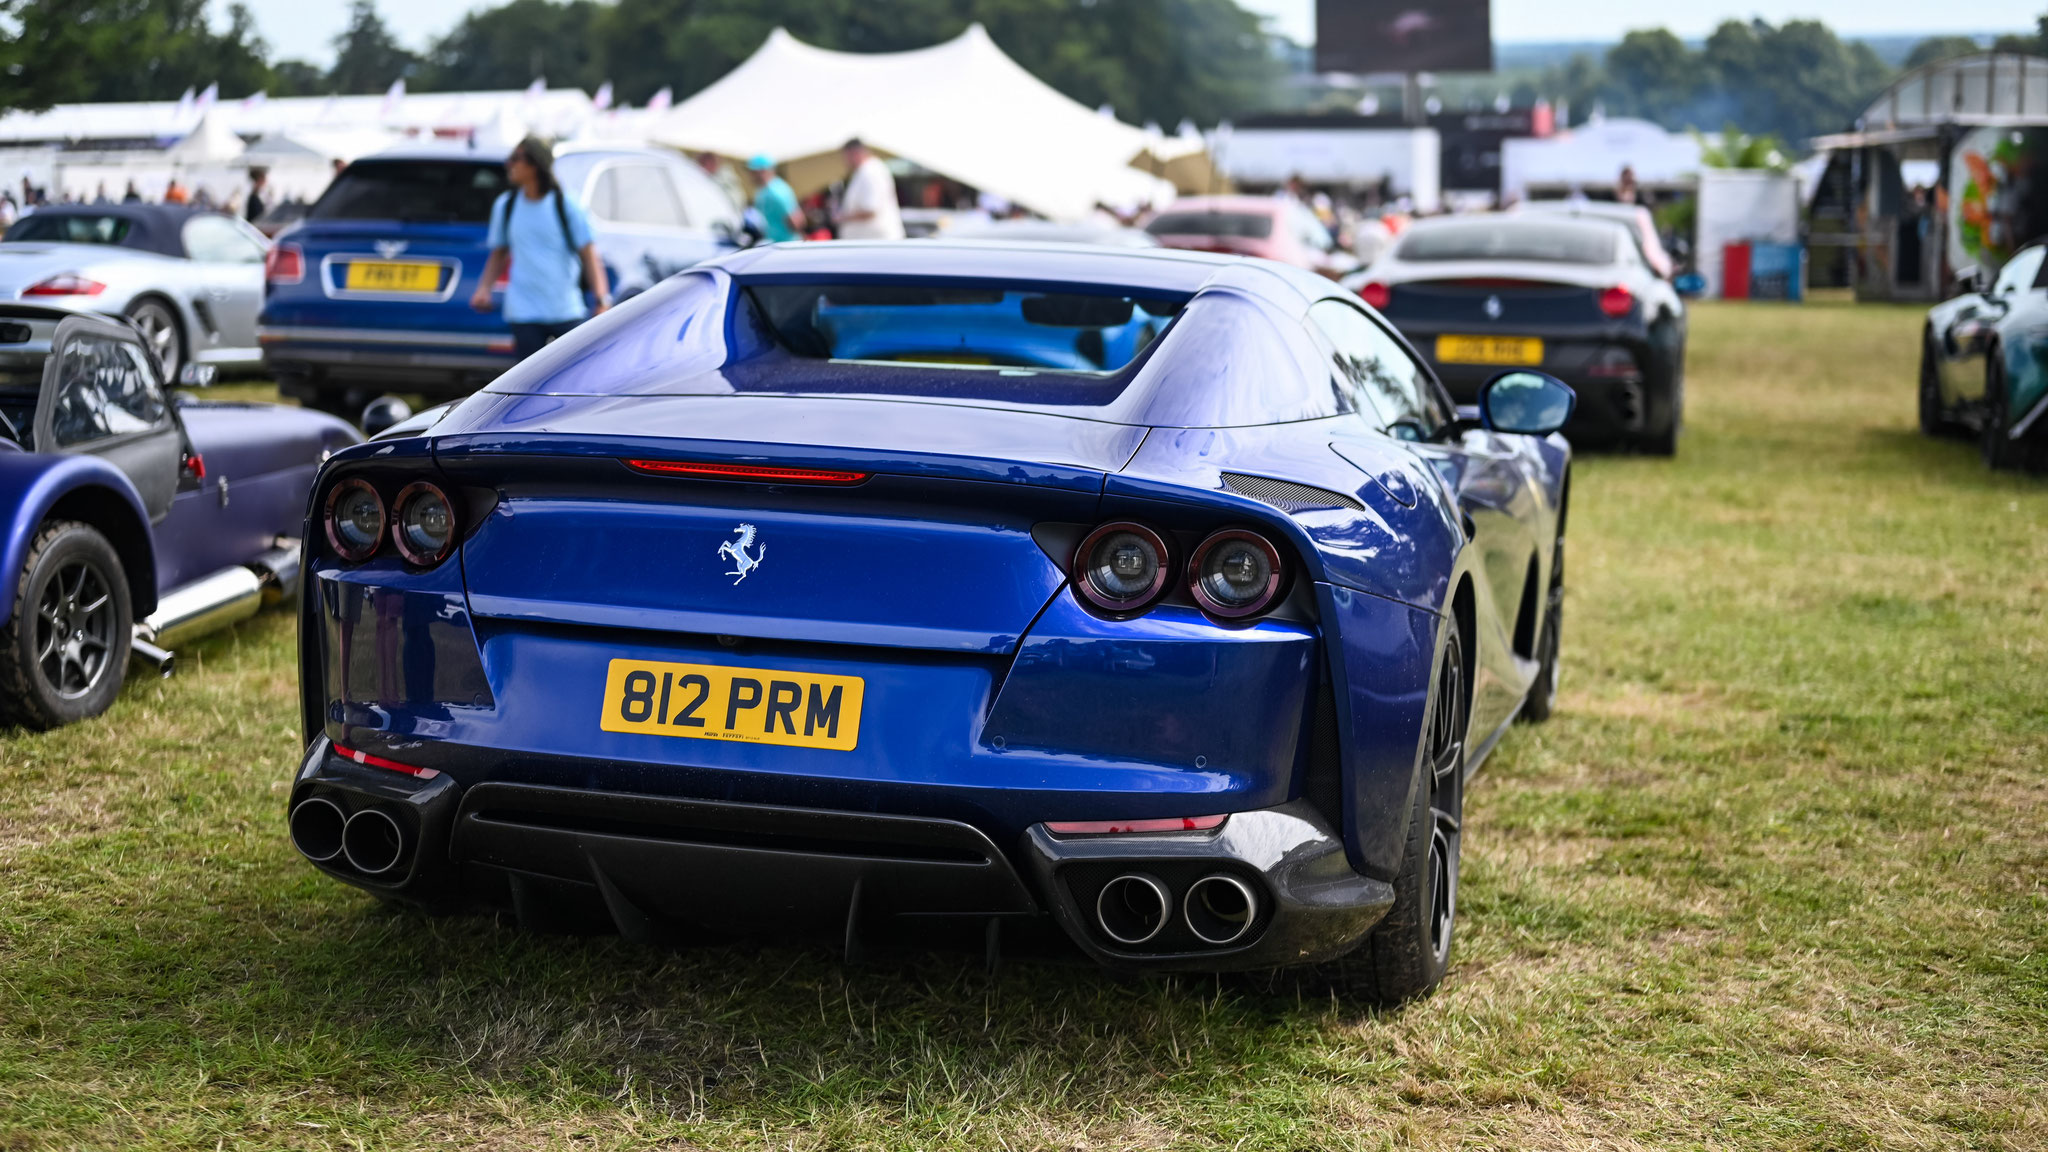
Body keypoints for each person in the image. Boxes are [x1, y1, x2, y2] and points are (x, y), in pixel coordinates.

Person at [470, 135, 610, 361]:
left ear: (536, 164)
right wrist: (484, 288)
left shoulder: (566, 204)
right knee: (530, 384)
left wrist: (602, 299)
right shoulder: (506, 206)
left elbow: (589, 254)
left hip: (565, 309)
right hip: (523, 311)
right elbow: (499, 253)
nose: (509, 164)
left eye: (516, 158)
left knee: (570, 379)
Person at [835, 138, 903, 241]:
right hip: (872, 242)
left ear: (854, 153)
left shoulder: (870, 172)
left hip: (876, 243)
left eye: (846, 156)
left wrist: (842, 217)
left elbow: (870, 209)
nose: (845, 161)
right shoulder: (866, 171)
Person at [747, 155, 803, 244]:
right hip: (772, 244)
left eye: (753, 172)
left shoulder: (776, 192)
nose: (751, 175)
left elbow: (796, 221)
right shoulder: (762, 191)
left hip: (786, 245)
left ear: (763, 171)